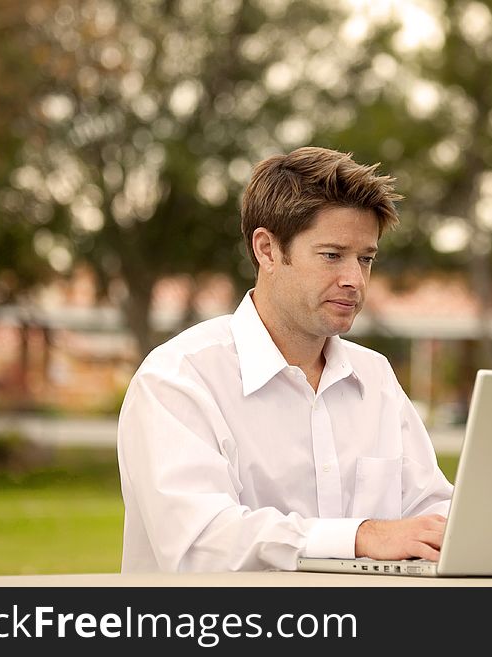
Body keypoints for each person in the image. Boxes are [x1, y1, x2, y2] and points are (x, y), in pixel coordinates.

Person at [117, 146, 453, 572]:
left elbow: (429, 509)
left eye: (365, 259)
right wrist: (362, 536)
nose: (354, 280)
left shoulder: (376, 378)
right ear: (267, 250)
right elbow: (201, 543)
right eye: (332, 255)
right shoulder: (178, 378)